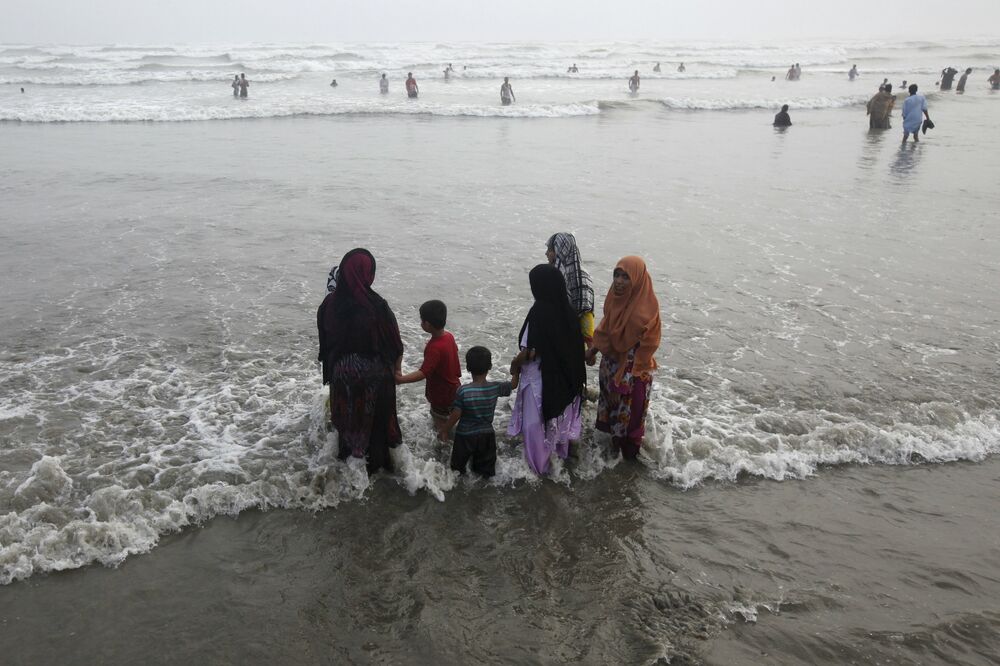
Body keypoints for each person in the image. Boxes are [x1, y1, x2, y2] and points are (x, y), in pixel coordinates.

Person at [317, 248, 403, 473]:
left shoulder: (328, 305)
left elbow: (325, 344)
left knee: (349, 428)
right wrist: (396, 370)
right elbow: (394, 344)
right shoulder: (377, 306)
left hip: (343, 375)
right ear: (369, 274)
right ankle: (379, 474)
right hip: (376, 375)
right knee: (376, 432)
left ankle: (347, 474)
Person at [508, 265, 586, 476]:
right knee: (557, 425)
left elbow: (530, 352)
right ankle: (558, 466)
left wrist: (514, 364)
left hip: (538, 381)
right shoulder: (568, 312)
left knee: (535, 428)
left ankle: (537, 471)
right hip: (564, 381)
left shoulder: (539, 311)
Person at [586, 256, 661, 460]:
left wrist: (619, 386)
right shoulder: (615, 299)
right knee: (614, 427)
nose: (618, 281)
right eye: (616, 275)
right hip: (611, 371)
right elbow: (607, 327)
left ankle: (629, 468)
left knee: (628, 429)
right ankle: (616, 473)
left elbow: (636, 354)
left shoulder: (642, 313)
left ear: (637, 280)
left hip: (631, 378)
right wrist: (593, 349)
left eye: (625, 277)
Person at [438, 346, 529, 478]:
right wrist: (516, 370)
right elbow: (513, 385)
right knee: (485, 472)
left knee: (457, 470)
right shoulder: (495, 387)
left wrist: (445, 430)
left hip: (465, 436)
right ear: (490, 366)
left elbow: (456, 414)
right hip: (487, 436)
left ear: (468, 368)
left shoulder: (463, 391)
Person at [396, 300, 461, 425]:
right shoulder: (449, 336)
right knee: (451, 419)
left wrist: (401, 379)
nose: (421, 323)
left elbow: (423, 373)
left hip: (441, 396)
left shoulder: (434, 347)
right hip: (455, 389)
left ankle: (443, 435)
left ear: (427, 324)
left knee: (440, 424)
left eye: (422, 320)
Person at [545, 233, 595, 346]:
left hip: (572, 340)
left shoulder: (581, 278)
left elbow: (585, 311)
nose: (546, 253)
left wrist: (590, 346)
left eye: (550, 249)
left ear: (559, 250)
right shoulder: (552, 273)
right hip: (552, 336)